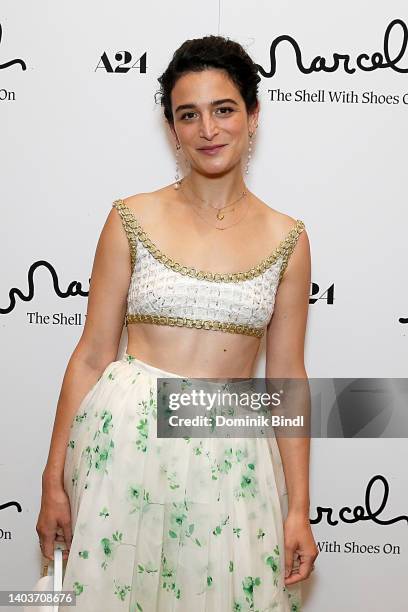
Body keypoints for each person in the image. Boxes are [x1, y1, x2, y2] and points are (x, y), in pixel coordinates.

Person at [36, 35, 317, 611]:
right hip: (123, 450)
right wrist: (52, 479)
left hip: (230, 456)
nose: (208, 130)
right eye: (189, 115)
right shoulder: (129, 219)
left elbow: (285, 377)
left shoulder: (288, 237)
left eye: (224, 109)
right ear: (172, 128)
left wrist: (297, 507)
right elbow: (92, 355)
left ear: (253, 115)